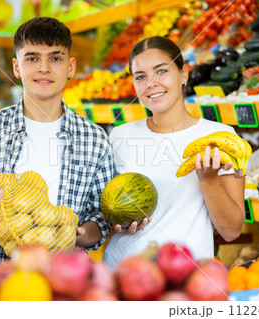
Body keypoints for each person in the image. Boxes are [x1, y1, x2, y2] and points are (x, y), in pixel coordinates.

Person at [0, 17, 114, 273]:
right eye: (32, 58)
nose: (44, 68)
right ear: (16, 67)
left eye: (55, 58)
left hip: (63, 283)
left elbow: (101, 224)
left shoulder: (95, 140)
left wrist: (75, 233)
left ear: (70, 67)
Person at [103, 36, 245, 269]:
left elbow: (231, 231)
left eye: (161, 71)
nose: (151, 83)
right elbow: (106, 208)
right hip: (123, 270)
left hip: (186, 274)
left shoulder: (222, 138)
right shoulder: (120, 136)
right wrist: (115, 222)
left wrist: (208, 179)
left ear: (184, 74)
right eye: (140, 77)